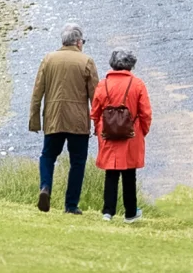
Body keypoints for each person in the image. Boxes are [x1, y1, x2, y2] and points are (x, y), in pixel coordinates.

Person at [28, 23, 99, 214]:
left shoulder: (48, 59)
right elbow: (96, 96)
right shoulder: (87, 61)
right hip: (77, 122)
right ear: (77, 42)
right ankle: (71, 205)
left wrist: (35, 119)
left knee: (48, 156)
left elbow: (37, 92)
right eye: (82, 41)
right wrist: (99, 123)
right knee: (77, 161)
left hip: (54, 117)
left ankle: (45, 187)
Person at [91, 49, 152, 222]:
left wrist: (99, 129)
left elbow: (95, 112)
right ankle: (130, 213)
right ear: (130, 64)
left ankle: (108, 211)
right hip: (131, 134)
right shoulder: (138, 84)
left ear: (113, 63)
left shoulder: (103, 84)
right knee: (129, 173)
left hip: (108, 134)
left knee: (111, 172)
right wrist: (142, 131)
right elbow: (145, 113)